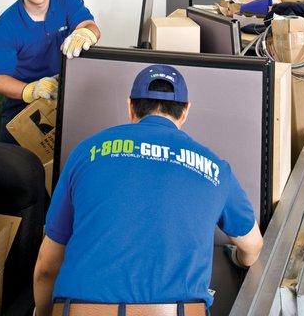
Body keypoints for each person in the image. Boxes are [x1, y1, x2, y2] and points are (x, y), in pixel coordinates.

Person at [33, 64, 264, 316]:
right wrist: (239, 260)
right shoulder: (216, 168)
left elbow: (47, 265)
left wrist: (43, 312)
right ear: (185, 111)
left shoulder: (86, 152)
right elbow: (253, 246)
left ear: (130, 106)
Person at [0, 0, 101, 144]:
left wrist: (86, 33)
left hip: (63, 96)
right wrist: (32, 90)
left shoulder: (66, 0)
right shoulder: (7, 24)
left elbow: (90, 25)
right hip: (22, 103)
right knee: (16, 166)